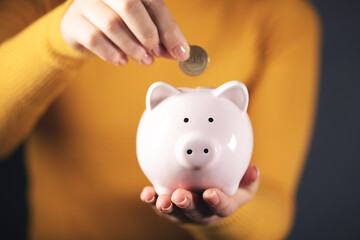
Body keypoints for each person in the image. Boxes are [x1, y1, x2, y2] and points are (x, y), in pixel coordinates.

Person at [0, 0, 320, 239]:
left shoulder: (281, 16)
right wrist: (57, 39)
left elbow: (273, 207)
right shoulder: (38, 3)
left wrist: (225, 214)